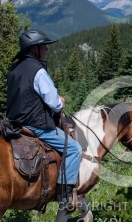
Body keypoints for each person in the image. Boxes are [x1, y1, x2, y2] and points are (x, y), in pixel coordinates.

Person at [6, 29, 82, 211]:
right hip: (36, 124)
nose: (46, 50)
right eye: (44, 47)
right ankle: (64, 192)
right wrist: (60, 102)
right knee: (74, 148)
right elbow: (53, 103)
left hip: (14, 122)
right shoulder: (38, 71)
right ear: (34, 50)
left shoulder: (14, 69)